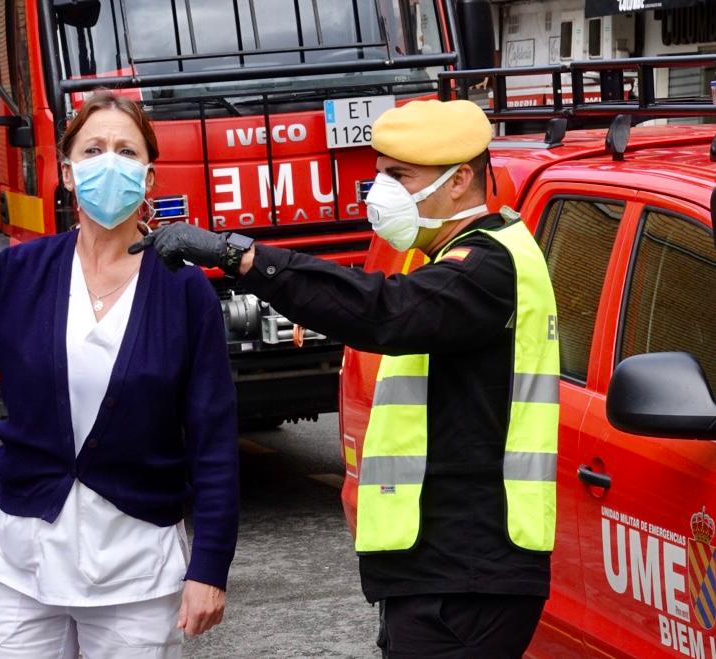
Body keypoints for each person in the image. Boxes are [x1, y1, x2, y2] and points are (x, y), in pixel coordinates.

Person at [132, 99, 560, 658]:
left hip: (470, 572)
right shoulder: (451, 258)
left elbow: (376, 311)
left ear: (459, 182)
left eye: (399, 176)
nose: (380, 190)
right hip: (444, 568)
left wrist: (239, 257)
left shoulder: (488, 267)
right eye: (379, 172)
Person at [0, 91, 239, 658]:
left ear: (148, 175)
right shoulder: (21, 272)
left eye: (125, 150)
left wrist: (209, 568)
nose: (109, 162)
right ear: (67, 173)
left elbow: (214, 441)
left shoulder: (183, 290)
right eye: (93, 150)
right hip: (23, 563)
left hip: (136, 571)